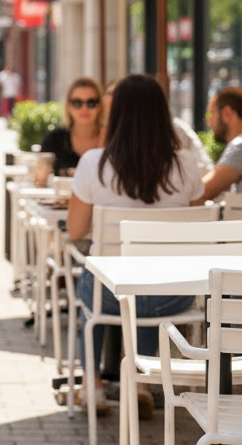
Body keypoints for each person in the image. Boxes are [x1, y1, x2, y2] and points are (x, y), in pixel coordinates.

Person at [66, 74, 205, 418]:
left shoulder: (93, 163)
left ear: (116, 115)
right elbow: (199, 221)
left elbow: (75, 230)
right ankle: (142, 383)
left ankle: (92, 385)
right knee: (146, 292)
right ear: (162, 114)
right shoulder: (185, 163)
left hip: (110, 296)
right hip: (173, 294)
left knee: (95, 288)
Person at [40, 77, 105, 175]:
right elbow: (40, 176)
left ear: (100, 106)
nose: (84, 108)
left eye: (91, 103)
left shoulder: (112, 139)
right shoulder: (54, 140)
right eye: (77, 103)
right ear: (68, 106)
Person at [203, 87, 242, 199]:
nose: (208, 122)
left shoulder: (239, 146)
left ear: (227, 113)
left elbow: (204, 191)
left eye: (211, 114)